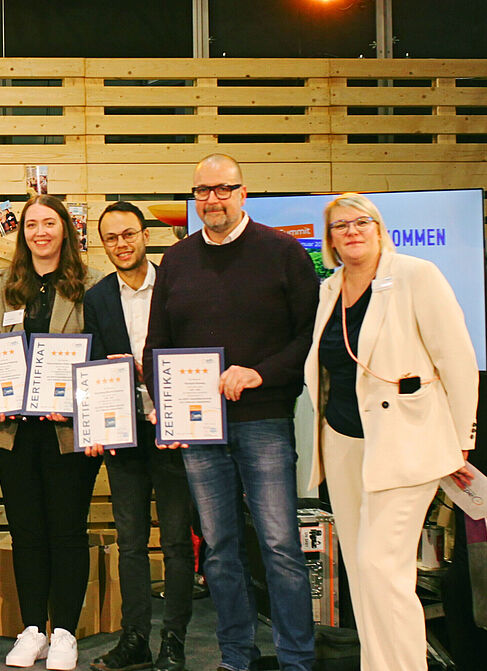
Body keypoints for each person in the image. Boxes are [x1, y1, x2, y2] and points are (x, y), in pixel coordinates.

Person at [144, 153, 319, 671]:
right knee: (219, 549)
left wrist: (260, 374)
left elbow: (309, 337)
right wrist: (167, 409)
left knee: (280, 546)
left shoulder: (283, 252)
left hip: (264, 420)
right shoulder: (177, 260)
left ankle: (296, 660)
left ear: (243, 193)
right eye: (203, 190)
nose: (212, 199)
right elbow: (158, 345)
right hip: (199, 430)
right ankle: (235, 657)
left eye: (223, 189)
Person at [303, 193, 478, 671]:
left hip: (407, 441)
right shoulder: (330, 288)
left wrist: (461, 440)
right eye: (340, 226)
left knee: (382, 567)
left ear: (379, 229)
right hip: (344, 442)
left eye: (361, 222)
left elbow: (457, 360)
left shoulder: (417, 275)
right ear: (330, 239)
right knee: (363, 575)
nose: (352, 231)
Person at [0, 195, 103, 671]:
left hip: (67, 429)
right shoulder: (3, 285)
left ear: (65, 229)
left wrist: (78, 403)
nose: (40, 232)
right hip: (13, 431)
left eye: (49, 223)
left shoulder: (91, 285)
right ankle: (32, 629)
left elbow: (99, 356)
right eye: (32, 224)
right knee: (26, 531)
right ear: (22, 233)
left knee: (67, 530)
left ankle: (65, 632)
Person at [82, 202, 192, 671]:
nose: (121, 244)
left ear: (145, 235)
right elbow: (91, 366)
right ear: (103, 244)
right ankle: (135, 639)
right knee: (129, 542)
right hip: (123, 436)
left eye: (128, 234)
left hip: (174, 432)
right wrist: (94, 420)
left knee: (176, 542)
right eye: (111, 238)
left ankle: (174, 641)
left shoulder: (176, 287)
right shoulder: (97, 298)